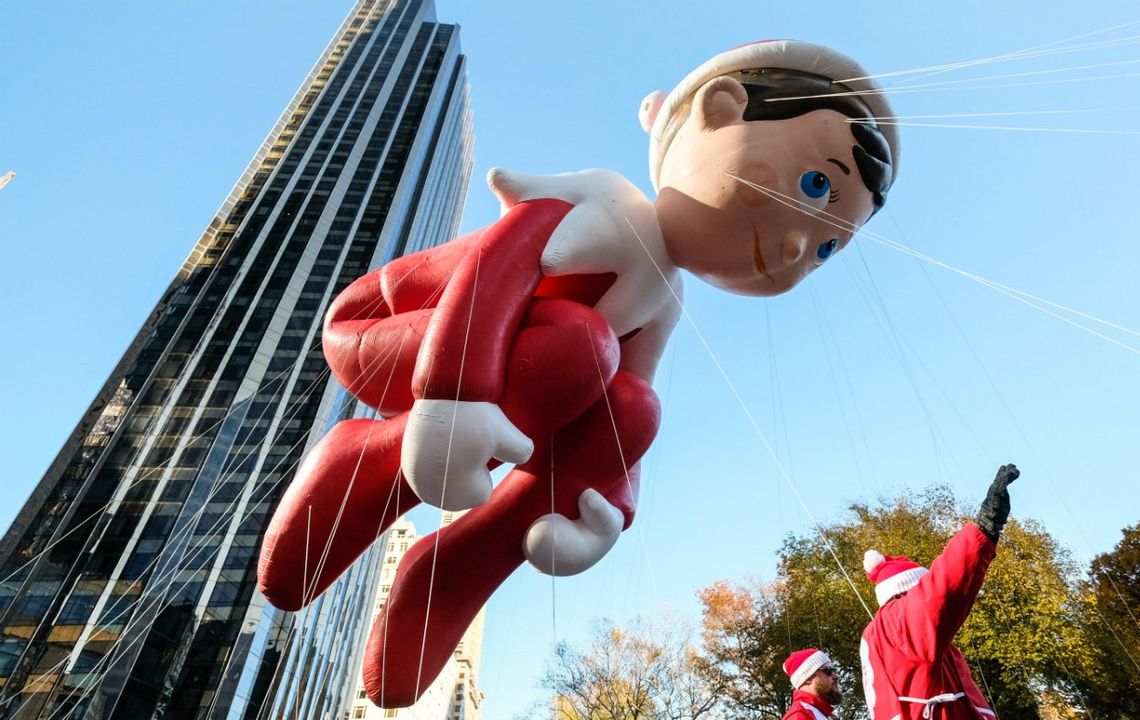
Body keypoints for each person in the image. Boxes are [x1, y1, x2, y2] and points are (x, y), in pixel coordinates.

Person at [257, 40, 900, 708]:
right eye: (815, 185)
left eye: (828, 247)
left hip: (495, 371)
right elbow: (497, 271)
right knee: (578, 343)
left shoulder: (665, 298)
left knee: (634, 405)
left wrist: (609, 511)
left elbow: (631, 420)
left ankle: (462, 562)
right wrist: (455, 395)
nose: (800, 247)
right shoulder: (602, 204)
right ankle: (371, 458)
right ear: (720, 109)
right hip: (391, 329)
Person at [858, 464, 1020, 718]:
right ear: (910, 589)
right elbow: (942, 587)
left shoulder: (885, 632)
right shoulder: (899, 623)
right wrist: (986, 527)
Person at [783, 648, 844, 720]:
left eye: (834, 670)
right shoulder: (799, 716)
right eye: (827, 670)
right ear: (808, 678)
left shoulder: (816, 713)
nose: (835, 676)